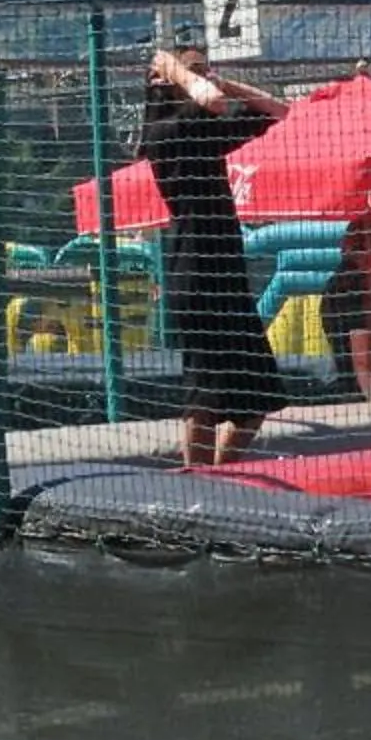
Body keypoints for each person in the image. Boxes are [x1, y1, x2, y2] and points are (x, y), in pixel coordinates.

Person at [137, 43, 288, 465]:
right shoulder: (164, 134)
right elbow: (211, 100)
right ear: (165, 84)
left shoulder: (206, 132)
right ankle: (197, 480)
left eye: (205, 69)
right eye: (195, 71)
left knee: (257, 401)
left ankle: (222, 474)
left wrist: (220, 78)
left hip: (227, 273)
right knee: (203, 398)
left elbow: (279, 110)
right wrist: (176, 71)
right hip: (195, 275)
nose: (203, 77)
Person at [321, 215, 371, 404]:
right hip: (365, 399)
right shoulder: (355, 284)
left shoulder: (355, 280)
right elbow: (362, 357)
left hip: (361, 394)